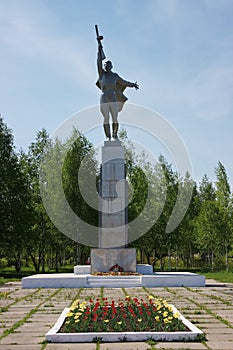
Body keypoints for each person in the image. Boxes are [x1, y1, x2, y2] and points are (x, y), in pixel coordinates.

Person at [96, 42, 139, 140]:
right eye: (105, 65)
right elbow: (98, 62)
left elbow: (123, 82)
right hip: (104, 97)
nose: (106, 66)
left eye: (108, 64)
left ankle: (115, 135)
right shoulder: (102, 75)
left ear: (111, 66)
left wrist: (133, 85)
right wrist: (99, 50)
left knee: (115, 117)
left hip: (113, 97)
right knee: (106, 117)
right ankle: (108, 136)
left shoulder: (115, 76)